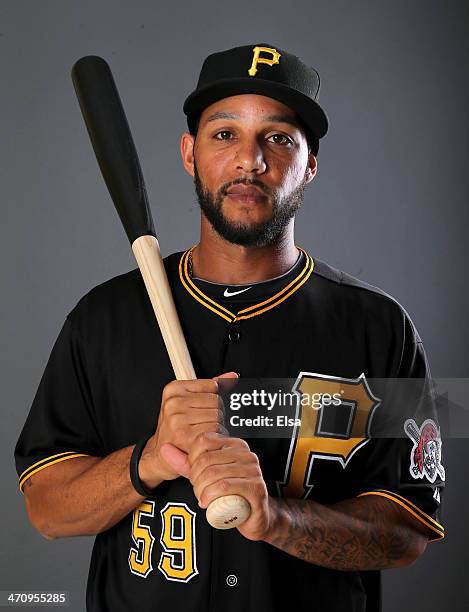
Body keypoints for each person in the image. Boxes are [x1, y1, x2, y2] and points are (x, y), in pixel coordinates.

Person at [15, 43, 445, 611]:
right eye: (224, 135)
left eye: (279, 138)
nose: (250, 160)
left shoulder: (381, 328)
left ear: (310, 164)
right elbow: (46, 509)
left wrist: (275, 519)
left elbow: (408, 530)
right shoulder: (102, 317)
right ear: (189, 153)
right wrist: (151, 458)